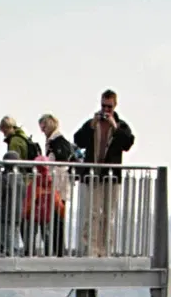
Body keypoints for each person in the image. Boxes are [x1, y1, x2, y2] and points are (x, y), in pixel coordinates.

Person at [72, 89, 134, 255]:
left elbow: (127, 143)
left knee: (108, 213)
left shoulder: (121, 125)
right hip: (93, 175)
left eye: (109, 107)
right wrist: (92, 126)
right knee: (92, 212)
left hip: (111, 177)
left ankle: (105, 248)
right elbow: (78, 140)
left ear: (115, 106)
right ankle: (91, 248)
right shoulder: (92, 124)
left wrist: (115, 127)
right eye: (103, 106)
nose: (106, 110)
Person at [0, 116, 35, 255]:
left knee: (7, 229)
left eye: (4, 130)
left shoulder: (15, 142)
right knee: (16, 229)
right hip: (18, 208)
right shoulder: (23, 137)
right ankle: (18, 249)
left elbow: (0, 193)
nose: (3, 133)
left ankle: (9, 250)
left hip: (7, 210)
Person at [36, 114, 74, 256]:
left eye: (44, 127)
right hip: (58, 184)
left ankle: (58, 249)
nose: (42, 130)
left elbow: (59, 161)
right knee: (57, 217)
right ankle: (58, 248)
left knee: (57, 217)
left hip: (58, 184)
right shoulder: (57, 141)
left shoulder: (57, 141)